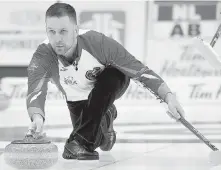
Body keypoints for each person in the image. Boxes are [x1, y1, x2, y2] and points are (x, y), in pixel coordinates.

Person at [26, 2, 185, 160]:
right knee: (100, 142)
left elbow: (139, 71)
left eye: (63, 32)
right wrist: (37, 118)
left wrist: (168, 96)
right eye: (51, 32)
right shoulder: (43, 55)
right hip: (77, 97)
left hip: (109, 83)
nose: (57, 39)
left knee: (82, 139)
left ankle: (81, 141)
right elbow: (35, 91)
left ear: (75, 30)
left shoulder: (98, 42)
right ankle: (107, 117)